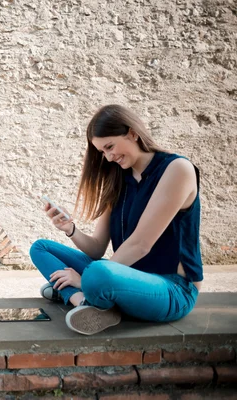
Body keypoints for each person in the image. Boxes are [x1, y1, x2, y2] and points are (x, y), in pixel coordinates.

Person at [30, 104, 202, 335]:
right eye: (102, 152)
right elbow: (97, 249)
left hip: (173, 289)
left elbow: (140, 245)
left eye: (110, 146)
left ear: (132, 133)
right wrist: (70, 229)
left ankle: (80, 293)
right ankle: (82, 301)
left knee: (99, 274)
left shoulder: (177, 169)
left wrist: (84, 278)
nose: (109, 157)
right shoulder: (119, 179)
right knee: (41, 248)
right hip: (124, 278)